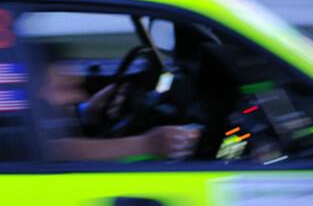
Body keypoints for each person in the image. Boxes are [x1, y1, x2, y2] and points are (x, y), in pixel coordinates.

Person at [38, 62, 200, 161]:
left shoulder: (32, 108)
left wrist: (87, 111)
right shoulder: (17, 116)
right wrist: (149, 144)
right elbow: (53, 150)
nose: (77, 93)